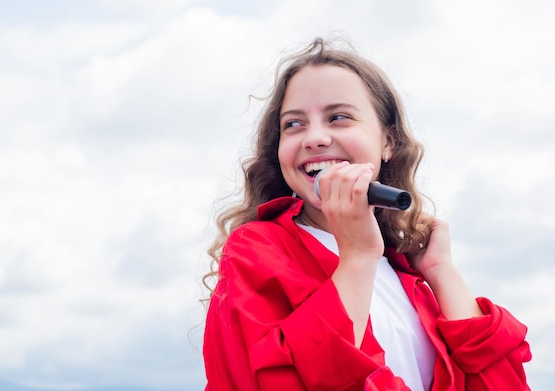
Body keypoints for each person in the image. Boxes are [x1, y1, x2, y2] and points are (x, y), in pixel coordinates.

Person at [202, 37, 531, 390]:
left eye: (339, 117)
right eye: (293, 124)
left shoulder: (409, 277)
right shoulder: (257, 250)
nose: (314, 138)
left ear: (388, 142)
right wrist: (357, 256)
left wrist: (440, 271)